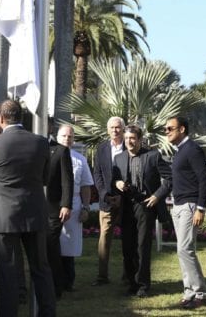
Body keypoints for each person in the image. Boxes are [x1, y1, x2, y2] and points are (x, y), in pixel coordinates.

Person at [0, 99, 56, 317]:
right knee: (41, 269)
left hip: (4, 216)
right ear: (22, 118)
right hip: (34, 212)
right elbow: (45, 178)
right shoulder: (41, 142)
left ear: (1, 119)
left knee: (8, 272)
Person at [111, 125, 172, 298]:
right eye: (127, 138)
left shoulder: (152, 156)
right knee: (127, 246)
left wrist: (157, 196)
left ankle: (143, 285)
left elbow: (169, 178)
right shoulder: (119, 158)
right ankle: (132, 283)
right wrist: (117, 184)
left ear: (140, 139)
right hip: (127, 206)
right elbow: (114, 179)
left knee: (142, 246)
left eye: (133, 138)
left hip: (146, 205)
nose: (129, 141)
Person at [165, 116, 206, 309]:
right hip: (178, 205)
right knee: (182, 251)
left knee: (185, 250)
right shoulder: (180, 151)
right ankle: (189, 292)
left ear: (182, 129)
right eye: (165, 129)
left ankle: (201, 294)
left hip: (190, 206)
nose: (166, 131)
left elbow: (204, 180)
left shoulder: (192, 149)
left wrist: (200, 208)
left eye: (170, 128)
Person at [56, 124, 94, 292]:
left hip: (74, 204)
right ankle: (54, 280)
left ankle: (68, 281)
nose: (67, 139)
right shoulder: (50, 156)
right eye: (64, 136)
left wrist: (86, 207)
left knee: (69, 245)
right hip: (54, 204)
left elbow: (86, 186)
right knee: (53, 243)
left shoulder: (80, 159)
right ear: (58, 137)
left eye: (70, 136)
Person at [91, 116, 126, 286]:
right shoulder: (102, 148)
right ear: (107, 130)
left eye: (118, 127)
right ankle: (102, 276)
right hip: (107, 201)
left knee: (129, 237)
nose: (115, 130)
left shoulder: (130, 146)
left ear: (123, 129)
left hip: (127, 200)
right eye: (112, 127)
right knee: (104, 238)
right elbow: (97, 174)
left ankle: (129, 274)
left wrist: (123, 196)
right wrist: (105, 194)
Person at [46, 122, 73, 298]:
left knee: (50, 246)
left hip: (54, 208)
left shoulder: (61, 151)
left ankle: (56, 287)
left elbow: (67, 180)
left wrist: (66, 204)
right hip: (34, 207)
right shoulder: (32, 147)